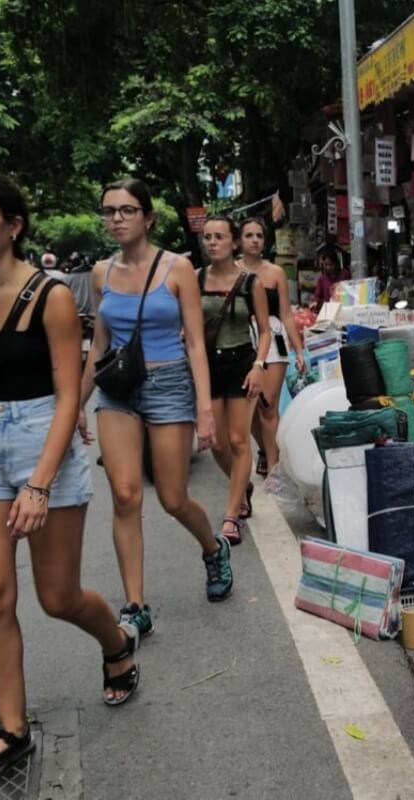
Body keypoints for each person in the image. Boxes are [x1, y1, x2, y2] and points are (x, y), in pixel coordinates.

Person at [0, 170, 139, 790]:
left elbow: (66, 397)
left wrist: (39, 483)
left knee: (58, 597)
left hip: (42, 441)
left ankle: (117, 643)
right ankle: (11, 730)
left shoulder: (50, 295)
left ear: (13, 224)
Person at [79, 178, 234, 641]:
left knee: (171, 497)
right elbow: (99, 346)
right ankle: (135, 606)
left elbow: (196, 345)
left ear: (148, 217)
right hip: (118, 389)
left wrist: (205, 408)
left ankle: (213, 548)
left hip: (169, 384)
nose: (117, 219)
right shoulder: (101, 272)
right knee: (125, 495)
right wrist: (75, 408)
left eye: (127, 210)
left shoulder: (178, 268)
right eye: (109, 211)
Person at [198, 215, 272, 543]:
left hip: (242, 361)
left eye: (219, 237)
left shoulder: (249, 283)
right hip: (208, 366)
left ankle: (232, 514)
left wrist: (258, 365)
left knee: (240, 441)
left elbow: (266, 331)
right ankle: (242, 484)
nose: (212, 242)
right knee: (215, 441)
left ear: (233, 242)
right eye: (207, 237)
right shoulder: (195, 280)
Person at [236, 217, 305, 477]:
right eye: (249, 235)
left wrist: (298, 350)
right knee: (249, 405)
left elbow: (287, 314)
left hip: (274, 339)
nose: (255, 240)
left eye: (259, 235)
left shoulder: (276, 273)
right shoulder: (231, 271)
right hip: (242, 338)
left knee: (268, 405)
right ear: (239, 240)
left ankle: (275, 472)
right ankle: (265, 449)